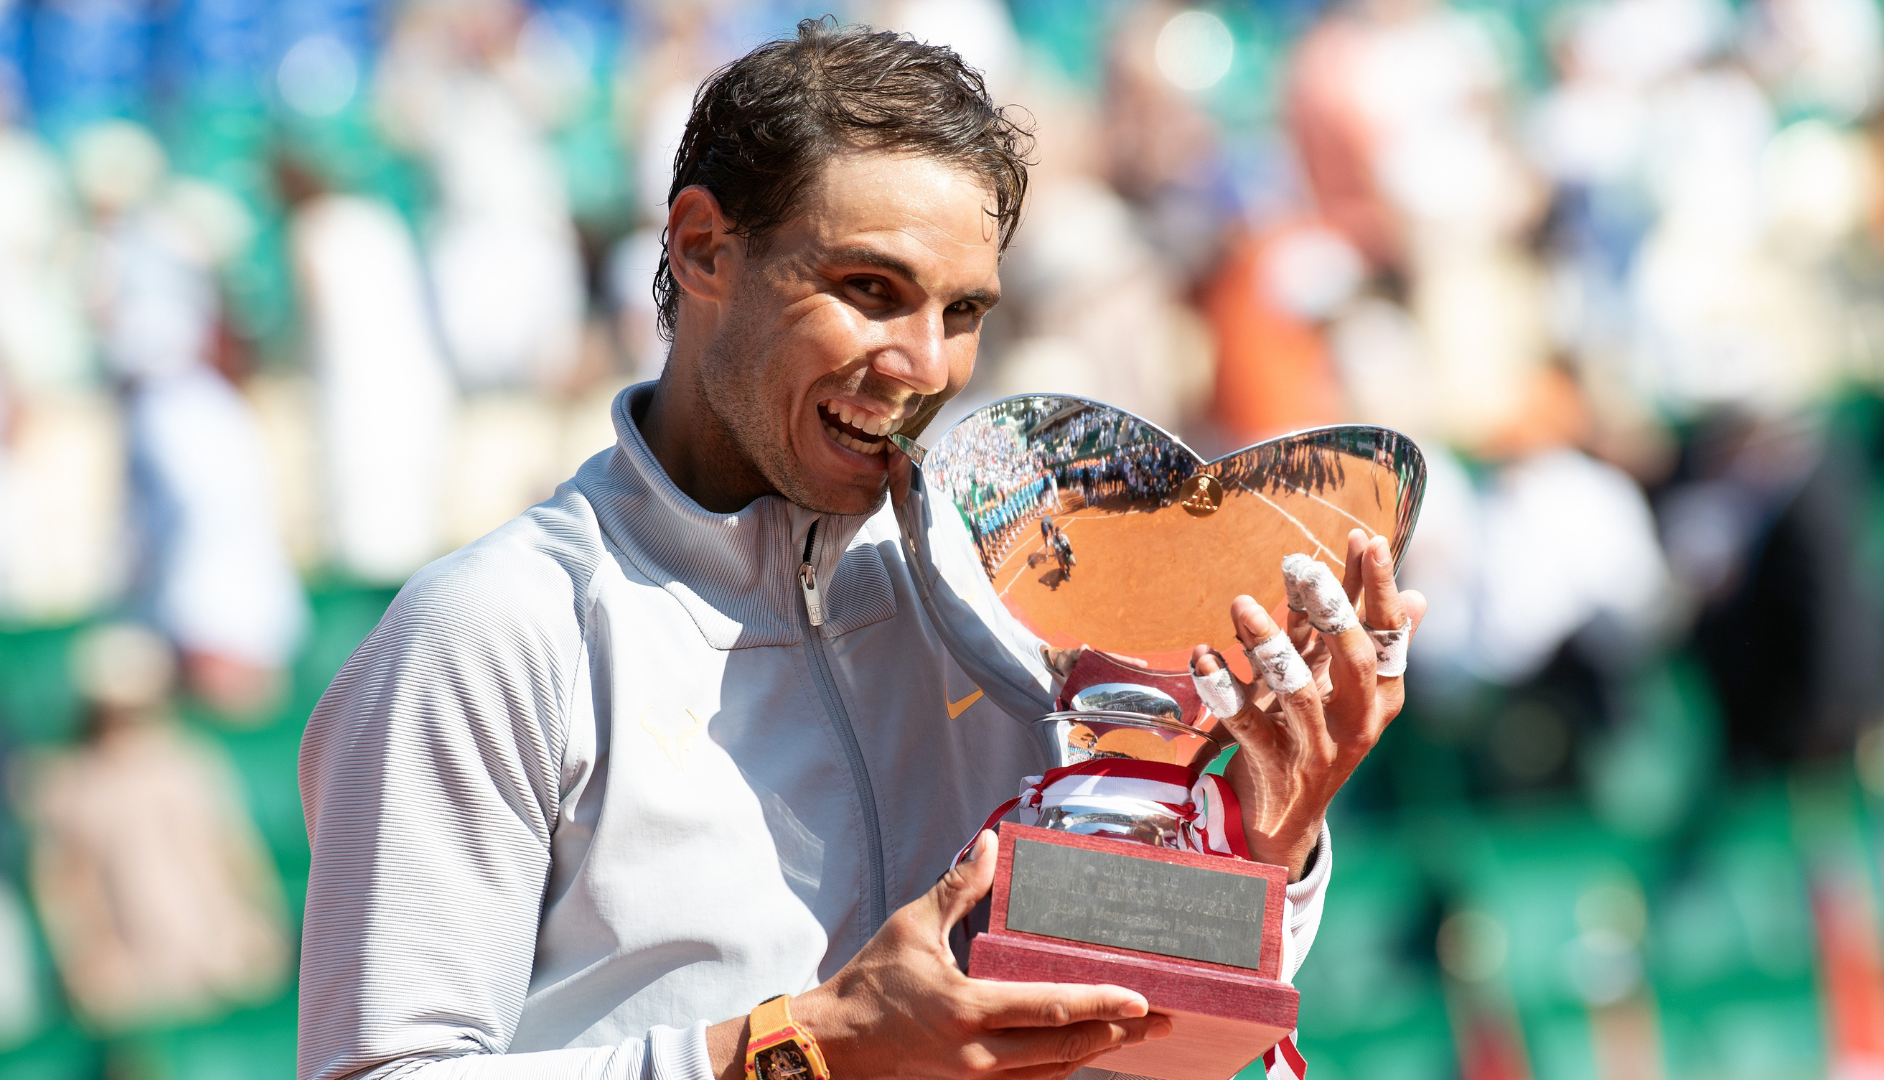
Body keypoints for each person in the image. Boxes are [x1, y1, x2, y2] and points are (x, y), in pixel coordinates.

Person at [300, 20, 1426, 1080]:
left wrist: (1261, 839)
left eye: (963, 312)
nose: (924, 365)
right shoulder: (495, 630)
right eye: (870, 291)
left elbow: (1111, 1032)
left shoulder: (1008, 581)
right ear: (701, 250)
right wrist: (802, 1048)